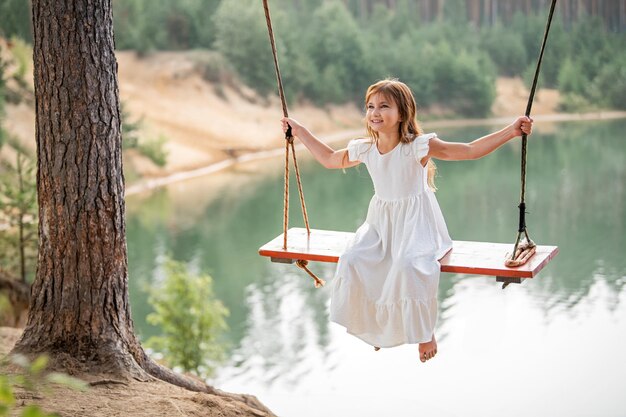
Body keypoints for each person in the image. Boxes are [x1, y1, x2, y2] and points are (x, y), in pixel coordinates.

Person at [281, 79, 533, 363]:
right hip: (380, 225)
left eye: (384, 106)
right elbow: (328, 158)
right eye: (370, 106)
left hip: (418, 225)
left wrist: (511, 131)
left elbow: (469, 150)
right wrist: (300, 131)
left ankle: (425, 332)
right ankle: (376, 328)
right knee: (352, 259)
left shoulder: (417, 146)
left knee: (407, 265)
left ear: (402, 112)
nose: (375, 112)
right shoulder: (366, 148)